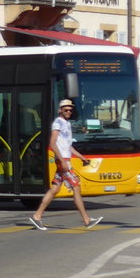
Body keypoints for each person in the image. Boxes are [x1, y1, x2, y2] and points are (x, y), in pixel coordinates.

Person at [29, 98, 102, 230]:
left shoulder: (67, 124)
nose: (68, 111)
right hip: (63, 162)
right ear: (60, 110)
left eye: (70, 109)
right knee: (76, 187)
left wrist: (81, 157)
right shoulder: (58, 122)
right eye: (66, 109)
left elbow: (68, 146)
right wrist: (62, 161)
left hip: (65, 160)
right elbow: (52, 142)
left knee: (54, 189)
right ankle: (86, 220)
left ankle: (37, 216)